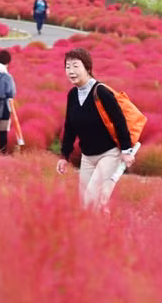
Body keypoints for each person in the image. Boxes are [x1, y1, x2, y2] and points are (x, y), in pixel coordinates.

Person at [57, 48, 135, 211]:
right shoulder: (72, 95)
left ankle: (96, 233)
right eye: (68, 66)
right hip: (87, 157)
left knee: (90, 200)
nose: (71, 71)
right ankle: (101, 230)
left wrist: (126, 150)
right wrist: (64, 156)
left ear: (87, 68)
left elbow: (119, 120)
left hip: (108, 154)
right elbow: (69, 127)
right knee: (85, 203)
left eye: (76, 66)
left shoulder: (101, 91)